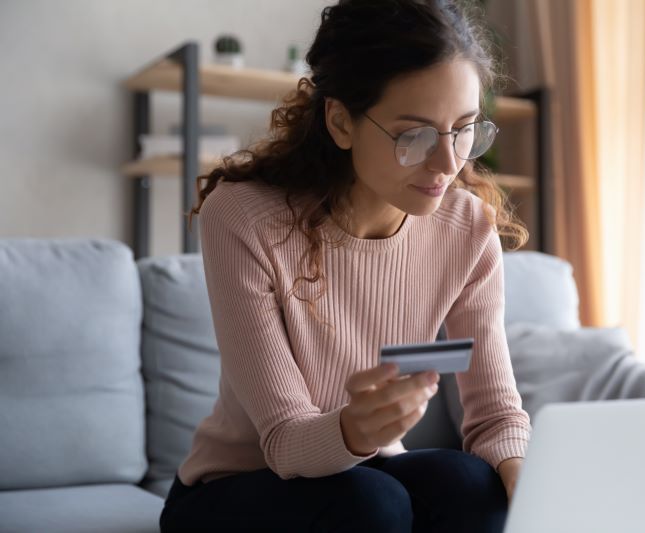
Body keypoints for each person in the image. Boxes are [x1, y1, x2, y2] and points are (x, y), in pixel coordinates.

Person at [159, 0, 532, 531]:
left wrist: (528, 482)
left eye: (465, 129)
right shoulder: (245, 218)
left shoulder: (466, 229)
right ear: (340, 121)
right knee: (369, 502)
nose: (449, 165)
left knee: (474, 485)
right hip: (235, 488)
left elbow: (495, 415)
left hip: (366, 477)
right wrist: (356, 430)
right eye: (415, 135)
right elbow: (285, 442)